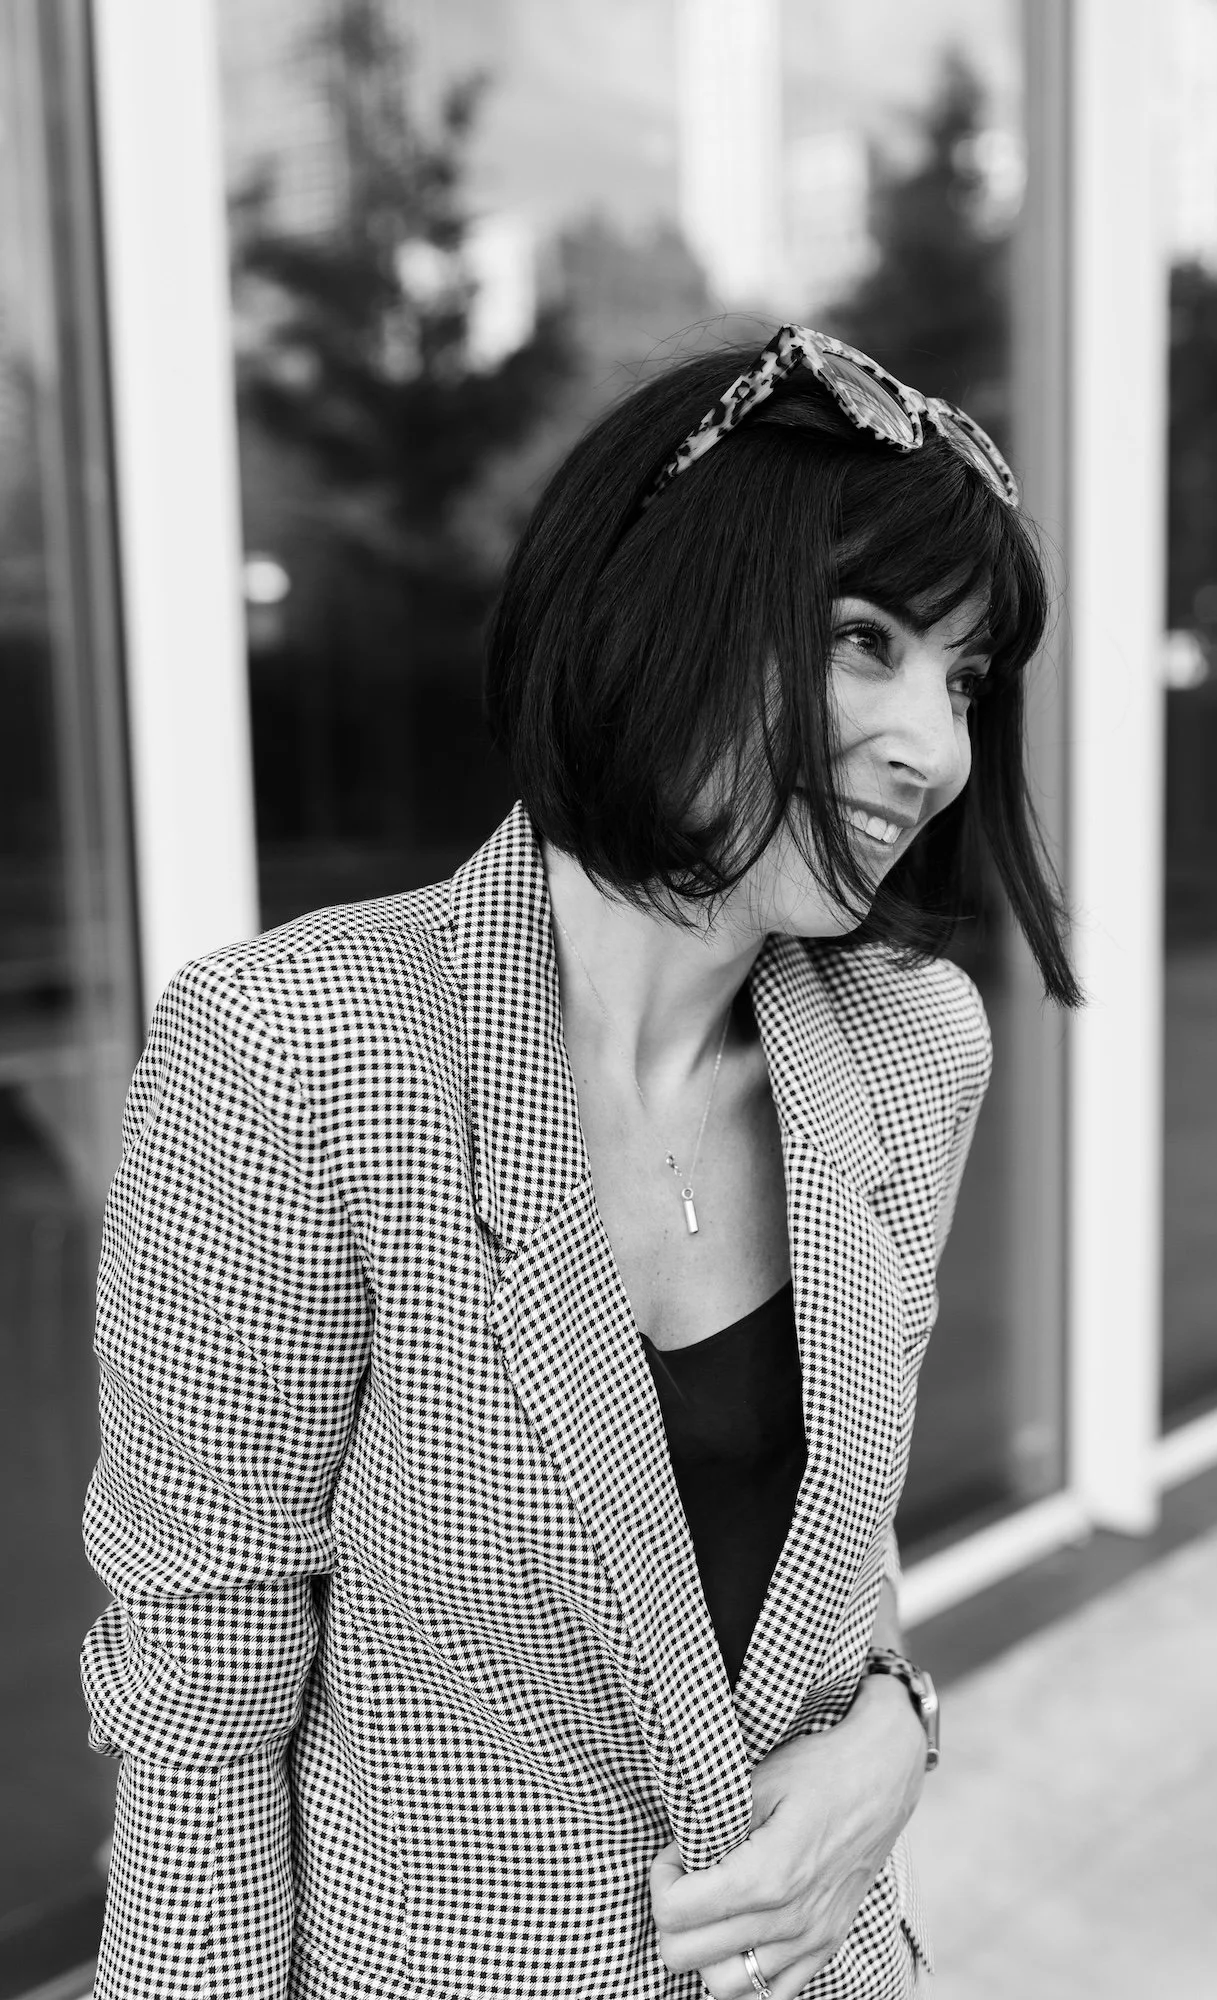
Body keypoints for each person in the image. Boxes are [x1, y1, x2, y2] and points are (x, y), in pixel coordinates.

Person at [81, 325, 1080, 1999]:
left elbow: (826, 1566)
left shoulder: (914, 1047)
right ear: (660, 612)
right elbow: (205, 1707)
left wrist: (893, 1739)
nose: (942, 747)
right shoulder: (299, 1052)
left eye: (966, 679)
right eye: (866, 642)